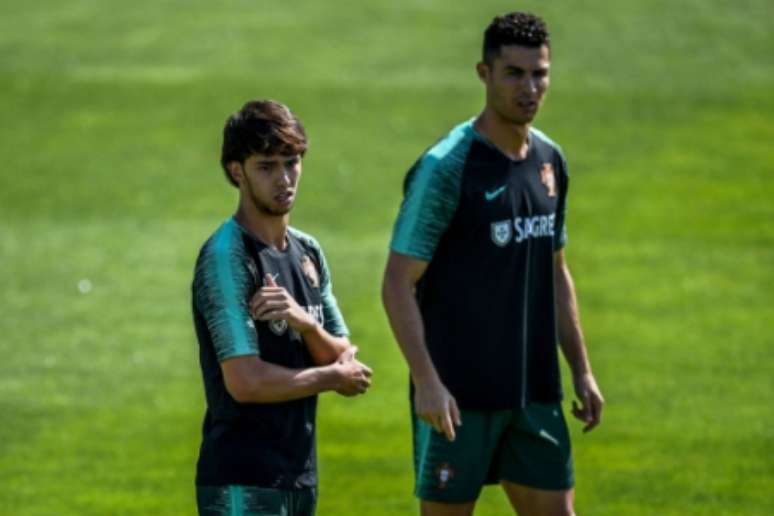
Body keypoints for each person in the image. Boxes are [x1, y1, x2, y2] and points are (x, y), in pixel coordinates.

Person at [382, 12, 604, 516]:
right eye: (514, 73)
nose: (530, 87)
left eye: (540, 73)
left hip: (534, 391)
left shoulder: (550, 160)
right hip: (458, 397)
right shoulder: (446, 168)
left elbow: (555, 271)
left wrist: (582, 371)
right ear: (484, 73)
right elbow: (398, 282)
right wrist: (426, 382)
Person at [191, 99, 372, 516]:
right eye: (266, 166)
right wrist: (329, 376)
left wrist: (305, 323)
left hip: (299, 478)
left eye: (291, 163)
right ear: (237, 172)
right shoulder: (228, 257)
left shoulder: (308, 252)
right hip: (243, 481)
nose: (284, 179)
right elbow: (245, 381)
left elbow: (344, 355)